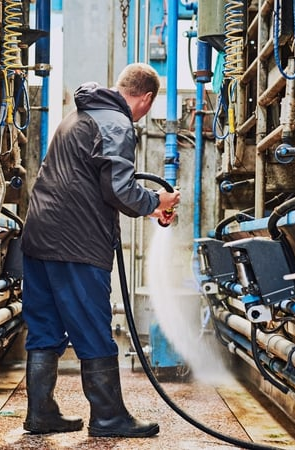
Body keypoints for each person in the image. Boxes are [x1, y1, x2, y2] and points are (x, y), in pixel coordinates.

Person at [20, 62, 181, 438]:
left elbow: (100, 183)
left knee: (44, 328)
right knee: (93, 327)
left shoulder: (76, 116)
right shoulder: (117, 124)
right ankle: (109, 417)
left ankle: (40, 413)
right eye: (149, 107)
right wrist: (157, 198)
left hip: (39, 236)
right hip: (75, 243)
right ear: (146, 98)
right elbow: (119, 190)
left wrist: (151, 204)